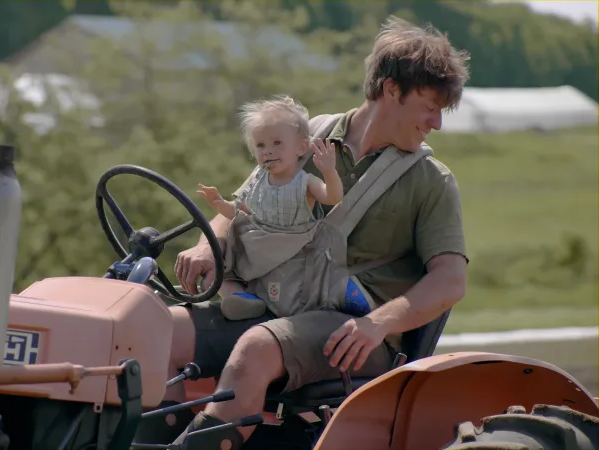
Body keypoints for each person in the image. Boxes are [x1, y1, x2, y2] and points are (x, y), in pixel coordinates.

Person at [134, 16, 471, 450]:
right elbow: (242, 207)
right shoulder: (303, 137)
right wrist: (207, 243)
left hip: (354, 333)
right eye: (431, 106)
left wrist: (376, 324)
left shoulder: (431, 181)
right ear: (391, 89)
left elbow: (450, 280)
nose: (437, 123)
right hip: (275, 304)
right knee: (149, 331)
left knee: (256, 348)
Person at [195, 94, 343, 321]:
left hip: (288, 250)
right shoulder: (258, 181)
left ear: (301, 148)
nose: (268, 151)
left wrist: (329, 172)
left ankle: (270, 310)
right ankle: (243, 300)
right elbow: (239, 211)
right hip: (256, 246)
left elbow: (333, 197)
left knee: (285, 296)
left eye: (277, 143)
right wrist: (219, 203)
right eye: (261, 145)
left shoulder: (304, 182)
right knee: (218, 271)